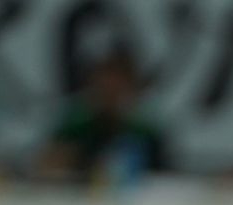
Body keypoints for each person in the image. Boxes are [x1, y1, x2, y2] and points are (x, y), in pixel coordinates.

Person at [38, 46, 171, 186]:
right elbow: (47, 167)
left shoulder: (145, 133)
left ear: (132, 91)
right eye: (104, 88)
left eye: (117, 90)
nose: (111, 96)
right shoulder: (76, 129)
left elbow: (165, 179)